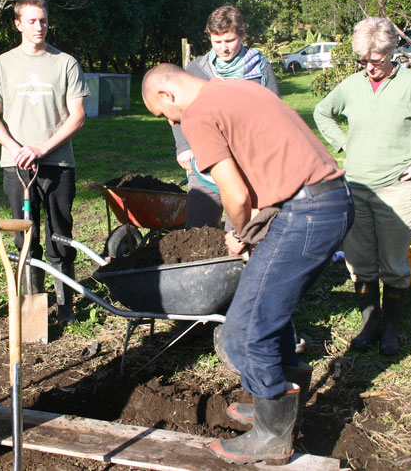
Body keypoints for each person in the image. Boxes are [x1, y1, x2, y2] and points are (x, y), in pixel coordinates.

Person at [142, 63, 354, 464]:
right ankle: (276, 402)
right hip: (334, 202)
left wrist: (242, 235)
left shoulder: (199, 115)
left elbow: (235, 196)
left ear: (167, 96)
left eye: (162, 114)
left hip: (304, 211)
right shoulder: (238, 89)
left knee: (246, 329)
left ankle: (272, 435)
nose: (169, 121)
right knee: (269, 314)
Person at [313, 17, 411, 356]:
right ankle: (370, 324)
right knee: (359, 261)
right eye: (362, 60)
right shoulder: (351, 86)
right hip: (356, 188)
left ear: (391, 51)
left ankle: (390, 329)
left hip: (396, 189)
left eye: (375, 60)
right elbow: (323, 113)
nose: (368, 67)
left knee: (394, 263)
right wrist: (343, 143)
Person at [0, 0, 88, 325]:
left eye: (42, 20)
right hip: (17, 166)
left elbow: (78, 116)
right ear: (18, 24)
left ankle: (65, 304)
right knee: (26, 236)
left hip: (57, 165)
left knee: (60, 234)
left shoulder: (65, 63)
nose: (38, 26)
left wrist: (42, 149)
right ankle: (33, 310)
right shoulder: (2, 65)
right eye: (31, 21)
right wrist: (16, 148)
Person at [175, 5, 279, 230]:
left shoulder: (259, 69)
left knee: (242, 231)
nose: (224, 48)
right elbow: (178, 111)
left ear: (242, 35)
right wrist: (183, 146)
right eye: (217, 41)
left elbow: (275, 113)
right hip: (205, 163)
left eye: (230, 40)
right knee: (198, 231)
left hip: (247, 165)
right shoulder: (196, 70)